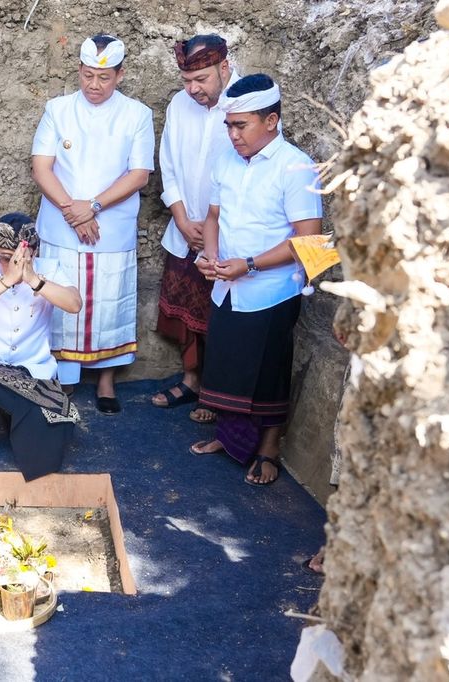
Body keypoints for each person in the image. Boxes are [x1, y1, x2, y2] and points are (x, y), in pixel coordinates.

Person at [188, 74, 323, 486]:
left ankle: (268, 450)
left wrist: (249, 264)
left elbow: (309, 239)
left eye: (240, 125)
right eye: (229, 125)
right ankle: (228, 441)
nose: (232, 134)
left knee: (265, 373)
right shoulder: (226, 160)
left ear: (271, 121)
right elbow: (213, 218)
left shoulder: (295, 166)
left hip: (271, 291)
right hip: (226, 285)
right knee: (228, 365)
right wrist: (209, 255)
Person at [31, 34, 155, 414]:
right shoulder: (58, 108)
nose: (94, 86)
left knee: (107, 302)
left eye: (103, 78)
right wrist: (73, 210)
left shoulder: (137, 114)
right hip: (62, 220)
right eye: (87, 76)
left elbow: (139, 174)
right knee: (63, 298)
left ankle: (105, 381)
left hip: (110, 224)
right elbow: (41, 166)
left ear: (120, 74)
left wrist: (94, 206)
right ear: (79, 71)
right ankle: (64, 379)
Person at [0, 213, 82, 480]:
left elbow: (74, 303)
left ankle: (14, 413)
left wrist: (34, 279)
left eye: (21, 257)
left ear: (33, 252)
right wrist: (6, 280)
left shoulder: (49, 268)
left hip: (32, 370)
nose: (12, 263)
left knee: (46, 452)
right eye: (4, 257)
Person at [151, 34, 239, 425]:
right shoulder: (178, 103)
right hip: (183, 227)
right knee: (186, 314)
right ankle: (190, 380)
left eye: (201, 79)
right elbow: (167, 163)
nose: (193, 89)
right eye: (188, 80)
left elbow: (248, 172)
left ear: (224, 67)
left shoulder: (246, 105)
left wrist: (212, 226)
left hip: (226, 234)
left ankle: (215, 392)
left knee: (218, 316)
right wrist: (183, 218)